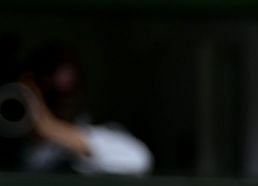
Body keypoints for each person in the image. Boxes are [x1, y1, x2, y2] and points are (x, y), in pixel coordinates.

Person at [7, 42, 151, 176]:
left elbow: (139, 159)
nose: (61, 101)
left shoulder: (106, 137)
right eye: (50, 93)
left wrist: (45, 123)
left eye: (66, 94)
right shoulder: (24, 149)